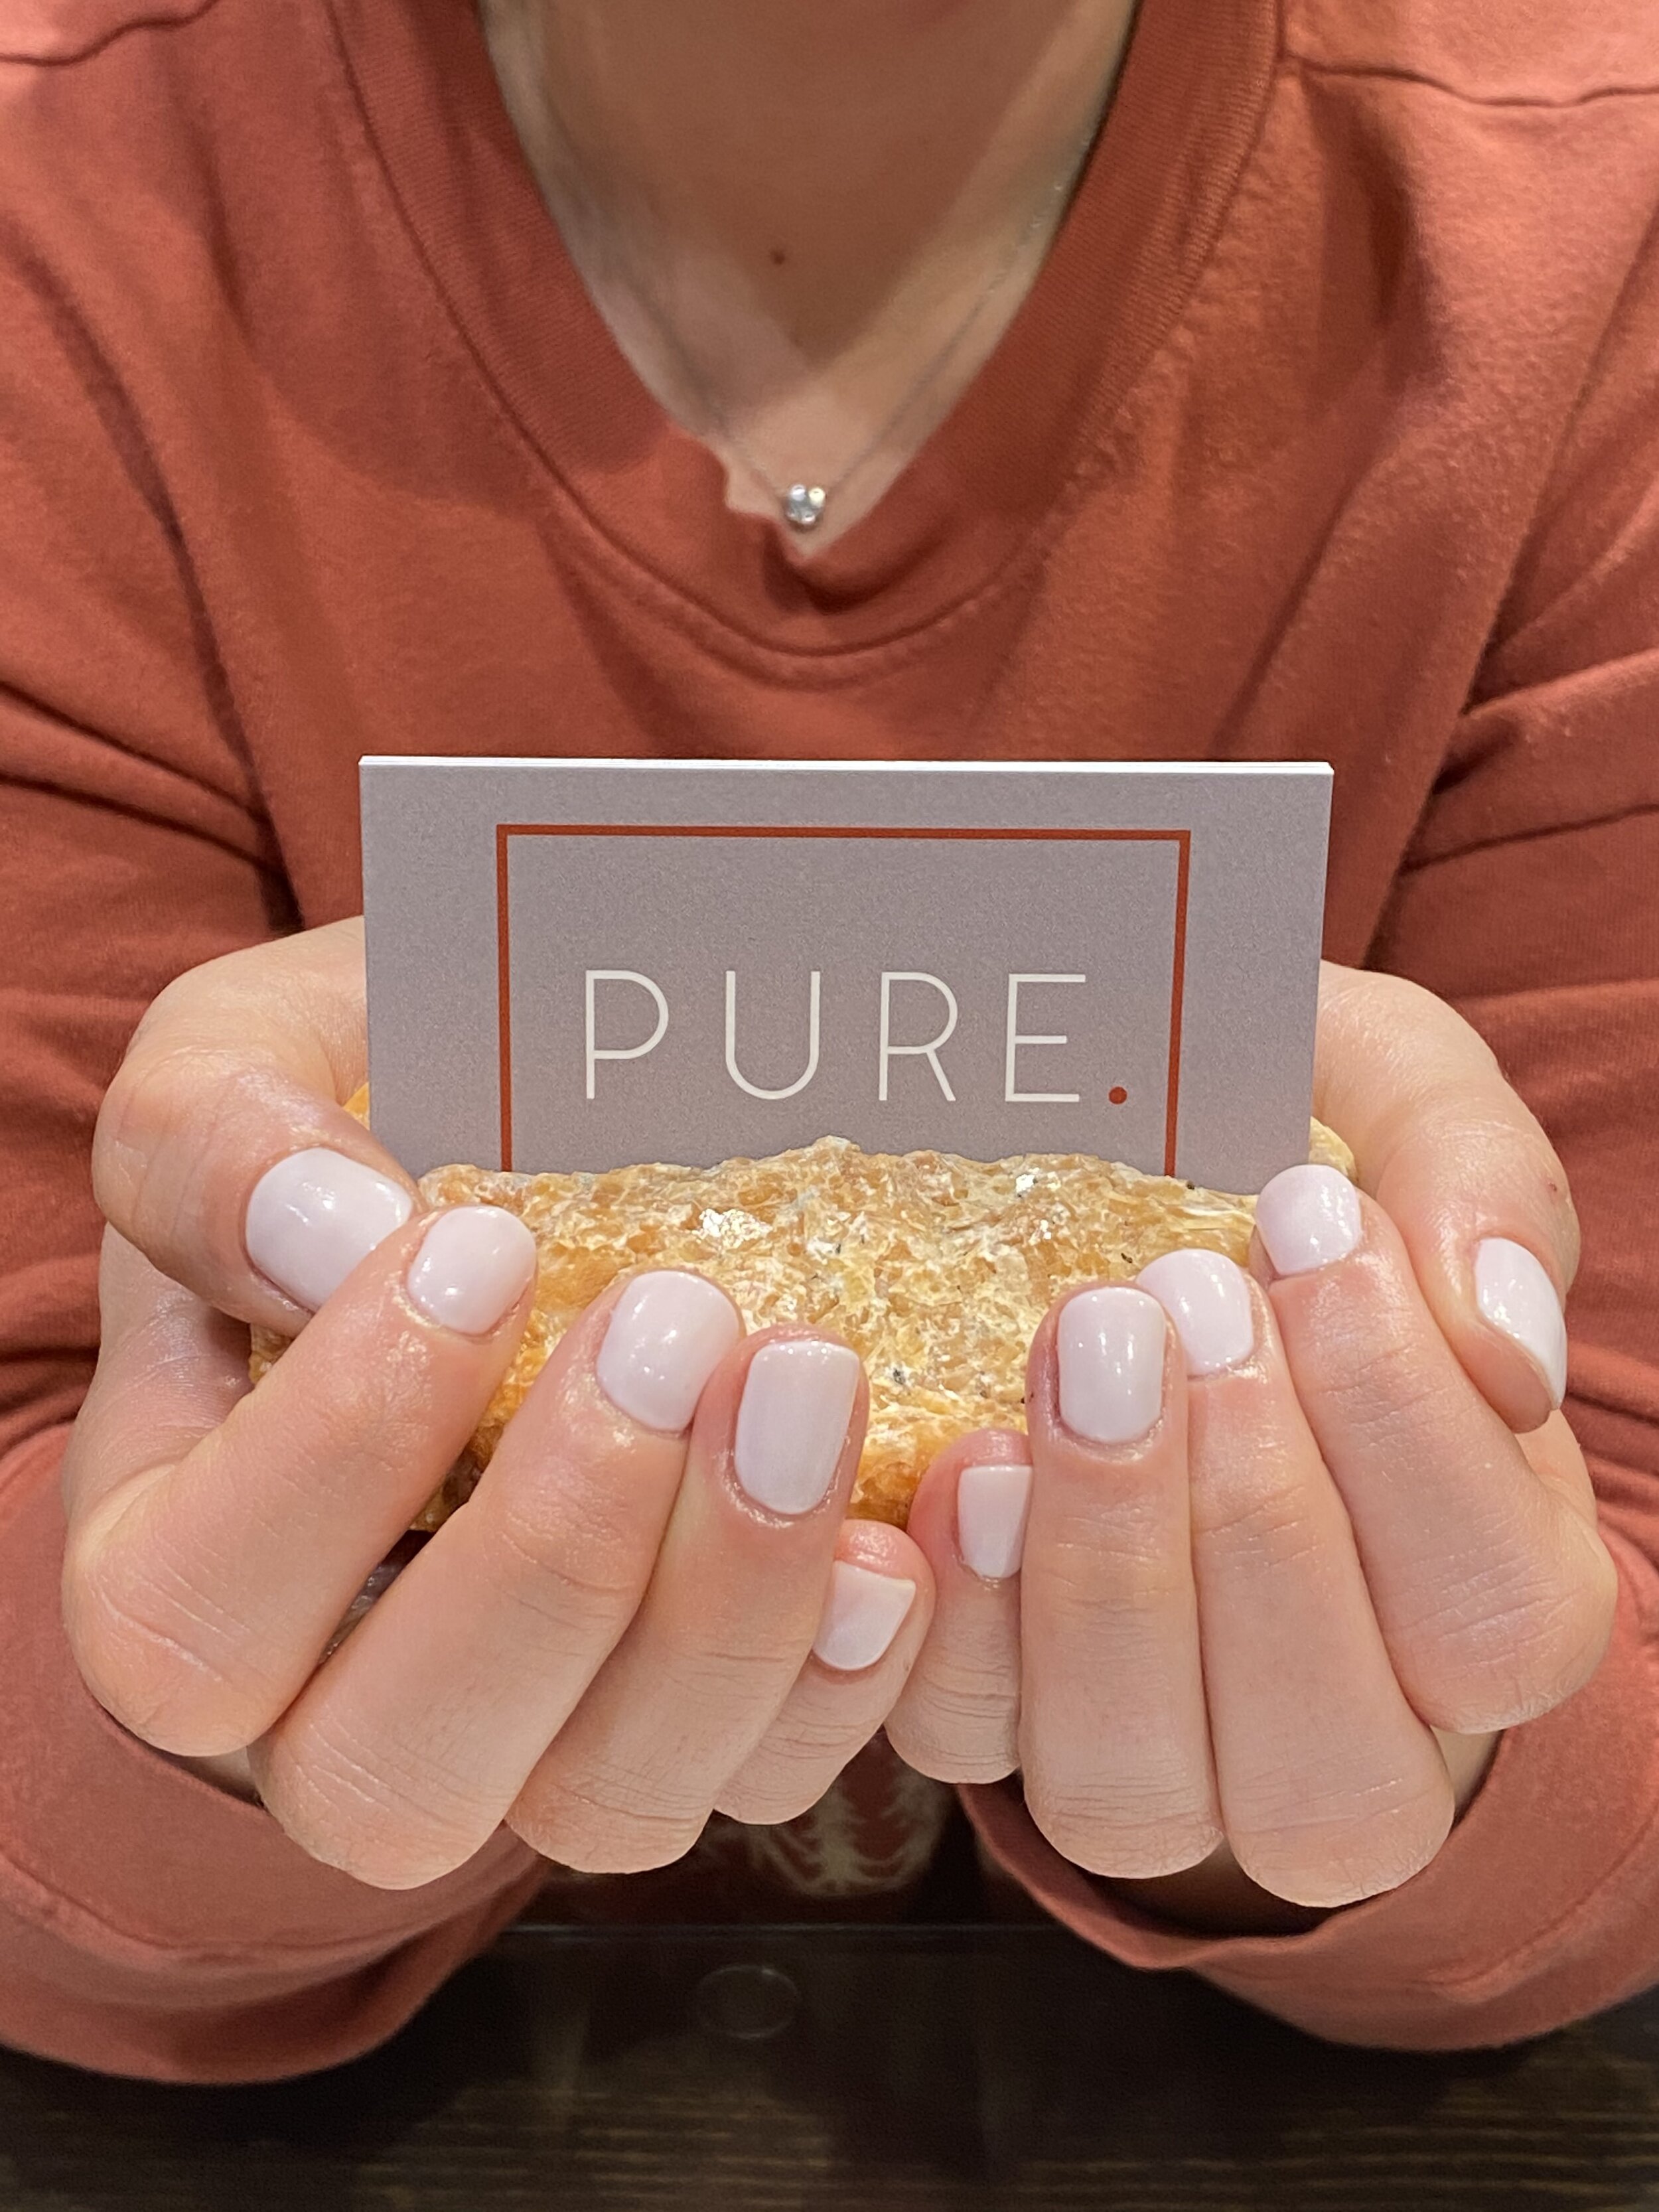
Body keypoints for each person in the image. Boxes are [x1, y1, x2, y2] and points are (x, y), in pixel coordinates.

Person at [1, 0, 1655, 2085]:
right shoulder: (65, 212)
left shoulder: (1591, 243)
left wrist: (1413, 1741)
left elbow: (1607, 1744)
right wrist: (207, 1712)